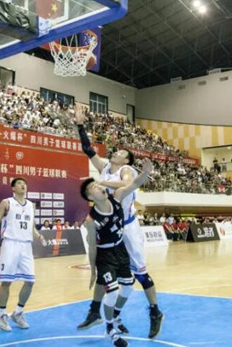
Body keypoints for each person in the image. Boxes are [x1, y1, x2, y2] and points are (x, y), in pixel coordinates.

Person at [75, 107, 164, 339]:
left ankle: (155, 311)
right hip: (109, 226)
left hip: (128, 226)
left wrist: (102, 184)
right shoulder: (105, 168)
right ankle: (96, 311)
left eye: (121, 152)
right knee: (104, 269)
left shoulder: (126, 169)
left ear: (126, 159)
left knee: (140, 273)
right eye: (117, 151)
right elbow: (88, 150)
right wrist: (80, 125)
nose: (116, 152)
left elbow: (127, 184)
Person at [80, 158, 154, 347]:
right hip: (105, 255)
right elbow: (92, 246)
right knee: (112, 292)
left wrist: (146, 172)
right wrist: (93, 270)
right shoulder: (91, 221)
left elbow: (135, 183)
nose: (100, 187)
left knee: (128, 288)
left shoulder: (117, 196)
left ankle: (114, 316)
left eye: (98, 184)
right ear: (90, 197)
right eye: (94, 187)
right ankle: (110, 330)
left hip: (120, 250)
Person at [0, 178, 45, 332]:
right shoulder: (6, 202)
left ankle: (18, 313)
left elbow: (31, 226)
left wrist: (39, 235)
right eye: (19, 183)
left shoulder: (31, 205)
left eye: (24, 183)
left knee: (30, 281)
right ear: (13, 188)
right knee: (6, 282)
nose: (23, 185)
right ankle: (2, 315)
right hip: (11, 244)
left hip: (26, 245)